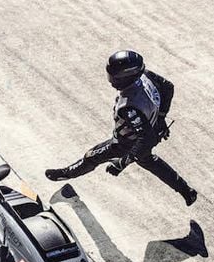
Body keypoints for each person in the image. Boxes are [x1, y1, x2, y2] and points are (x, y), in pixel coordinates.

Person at [45, 50, 197, 206]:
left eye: (114, 77)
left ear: (125, 79)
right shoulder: (145, 75)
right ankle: (187, 191)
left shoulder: (128, 106)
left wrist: (122, 162)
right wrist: (161, 118)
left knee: (92, 156)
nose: (111, 80)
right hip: (150, 129)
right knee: (151, 162)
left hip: (127, 143)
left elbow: (146, 140)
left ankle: (65, 174)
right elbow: (168, 87)